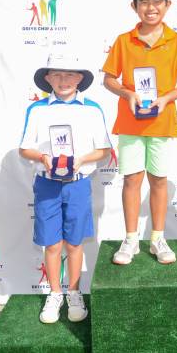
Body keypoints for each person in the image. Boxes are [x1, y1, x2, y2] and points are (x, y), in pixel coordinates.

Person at [102, 0, 177, 265]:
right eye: (144, 1)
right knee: (132, 179)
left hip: (162, 122)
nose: (150, 7)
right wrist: (127, 92)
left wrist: (166, 99)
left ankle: (157, 238)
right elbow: (108, 79)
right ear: (134, 6)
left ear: (167, 5)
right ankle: (131, 239)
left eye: (157, 1)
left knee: (158, 180)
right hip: (131, 123)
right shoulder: (123, 41)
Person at [20, 53, 111, 324]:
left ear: (80, 79)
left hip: (78, 184)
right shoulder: (37, 110)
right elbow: (25, 148)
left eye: (70, 75)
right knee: (52, 243)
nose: (63, 80)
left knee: (74, 242)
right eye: (57, 75)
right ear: (47, 79)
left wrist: (81, 159)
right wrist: (43, 158)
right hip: (47, 184)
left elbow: (104, 149)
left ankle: (73, 292)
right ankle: (55, 293)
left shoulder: (92, 109)